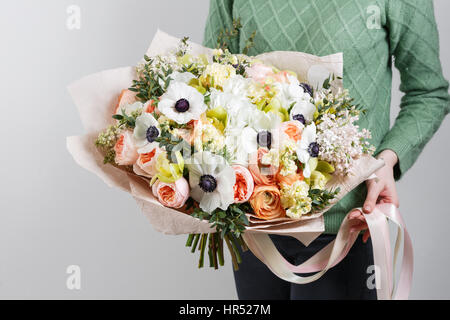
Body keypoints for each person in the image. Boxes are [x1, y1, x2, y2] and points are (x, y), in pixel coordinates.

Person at [203, 0, 450, 300]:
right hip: (253, 222)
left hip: (344, 227)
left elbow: (429, 92)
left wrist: (386, 160)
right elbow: (212, 83)